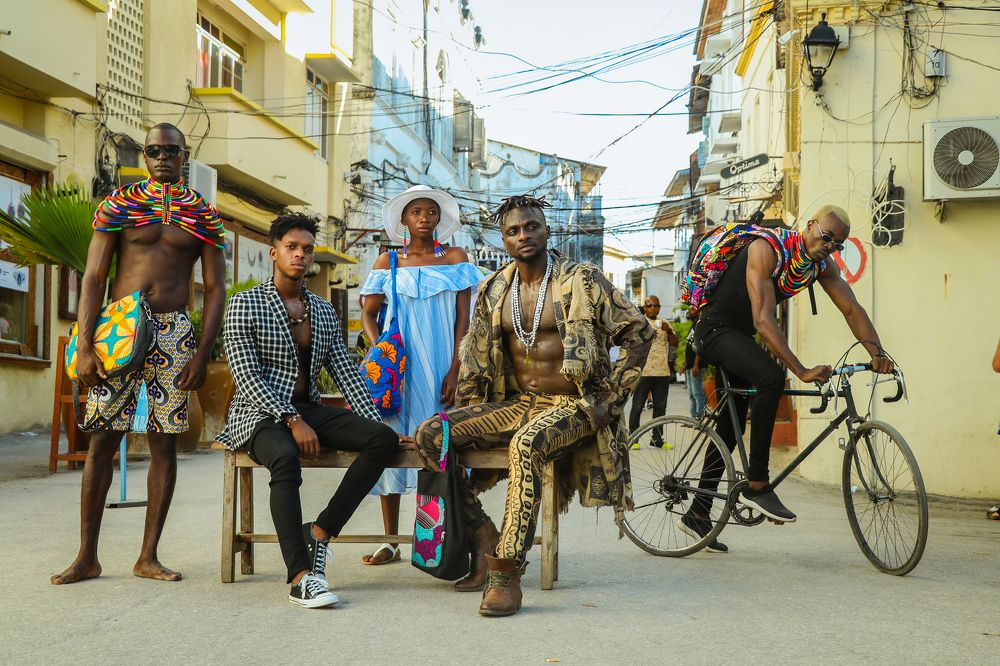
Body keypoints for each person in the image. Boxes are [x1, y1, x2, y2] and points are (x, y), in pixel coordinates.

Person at [414, 194, 653, 616]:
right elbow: (475, 362)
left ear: (547, 230)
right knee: (433, 434)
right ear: (503, 240)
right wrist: (462, 413)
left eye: (531, 226)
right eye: (513, 230)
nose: (523, 235)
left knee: (526, 445)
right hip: (519, 402)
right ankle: (483, 535)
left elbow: (639, 333)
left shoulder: (582, 280)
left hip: (574, 404)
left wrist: (611, 400)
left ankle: (505, 575)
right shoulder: (494, 289)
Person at [51, 123, 226, 585]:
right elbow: (94, 277)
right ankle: (86, 557)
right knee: (103, 439)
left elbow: (215, 289)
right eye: (154, 150)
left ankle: (148, 557)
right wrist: (84, 344)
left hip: (174, 332)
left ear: (185, 155)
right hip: (119, 328)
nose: (162, 157)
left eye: (171, 150)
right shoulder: (120, 206)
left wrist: (202, 353)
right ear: (144, 156)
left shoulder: (202, 215)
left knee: (164, 440)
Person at [216, 212, 405, 608]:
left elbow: (346, 373)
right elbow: (247, 376)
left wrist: (376, 422)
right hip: (257, 413)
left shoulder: (320, 310)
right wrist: (291, 419)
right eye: (291, 247)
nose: (299, 254)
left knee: (383, 440)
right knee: (285, 458)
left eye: (306, 248)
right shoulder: (245, 304)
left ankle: (319, 533)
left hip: (307, 408)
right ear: (274, 252)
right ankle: (301, 577)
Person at [688, 205, 894, 538]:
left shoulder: (820, 266)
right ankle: (758, 484)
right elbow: (763, 319)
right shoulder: (767, 249)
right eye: (826, 236)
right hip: (714, 330)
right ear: (810, 225)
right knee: (771, 377)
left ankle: (698, 512)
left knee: (730, 425)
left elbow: (852, 309)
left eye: (837, 244)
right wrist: (801, 370)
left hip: (739, 336)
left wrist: (878, 353)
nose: (829, 246)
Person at [358, 185, 482, 566]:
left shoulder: (456, 259)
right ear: (404, 220)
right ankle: (391, 541)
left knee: (440, 448)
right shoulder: (388, 262)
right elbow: (368, 314)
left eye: (431, 211)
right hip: (399, 372)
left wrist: (457, 368)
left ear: (439, 217)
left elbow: (464, 320)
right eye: (416, 212)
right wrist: (384, 353)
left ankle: (437, 540)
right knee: (391, 446)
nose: (424, 218)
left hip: (443, 366)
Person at [629, 295, 678, 448]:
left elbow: (675, 343)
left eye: (656, 306)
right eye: (649, 305)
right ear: (644, 307)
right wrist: (648, 335)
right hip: (643, 372)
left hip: (662, 372)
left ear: (659, 307)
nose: (653, 308)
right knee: (637, 407)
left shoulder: (665, 323)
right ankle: (633, 439)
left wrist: (668, 332)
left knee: (660, 408)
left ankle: (657, 439)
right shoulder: (639, 323)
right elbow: (632, 343)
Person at [684, 308, 707, 418]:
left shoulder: (700, 325)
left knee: (698, 393)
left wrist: (696, 365)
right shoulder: (694, 325)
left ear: (699, 311)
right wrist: (686, 364)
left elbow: (700, 347)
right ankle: (693, 418)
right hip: (690, 366)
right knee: (691, 394)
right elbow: (690, 346)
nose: (689, 310)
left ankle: (699, 416)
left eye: (692, 308)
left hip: (697, 366)